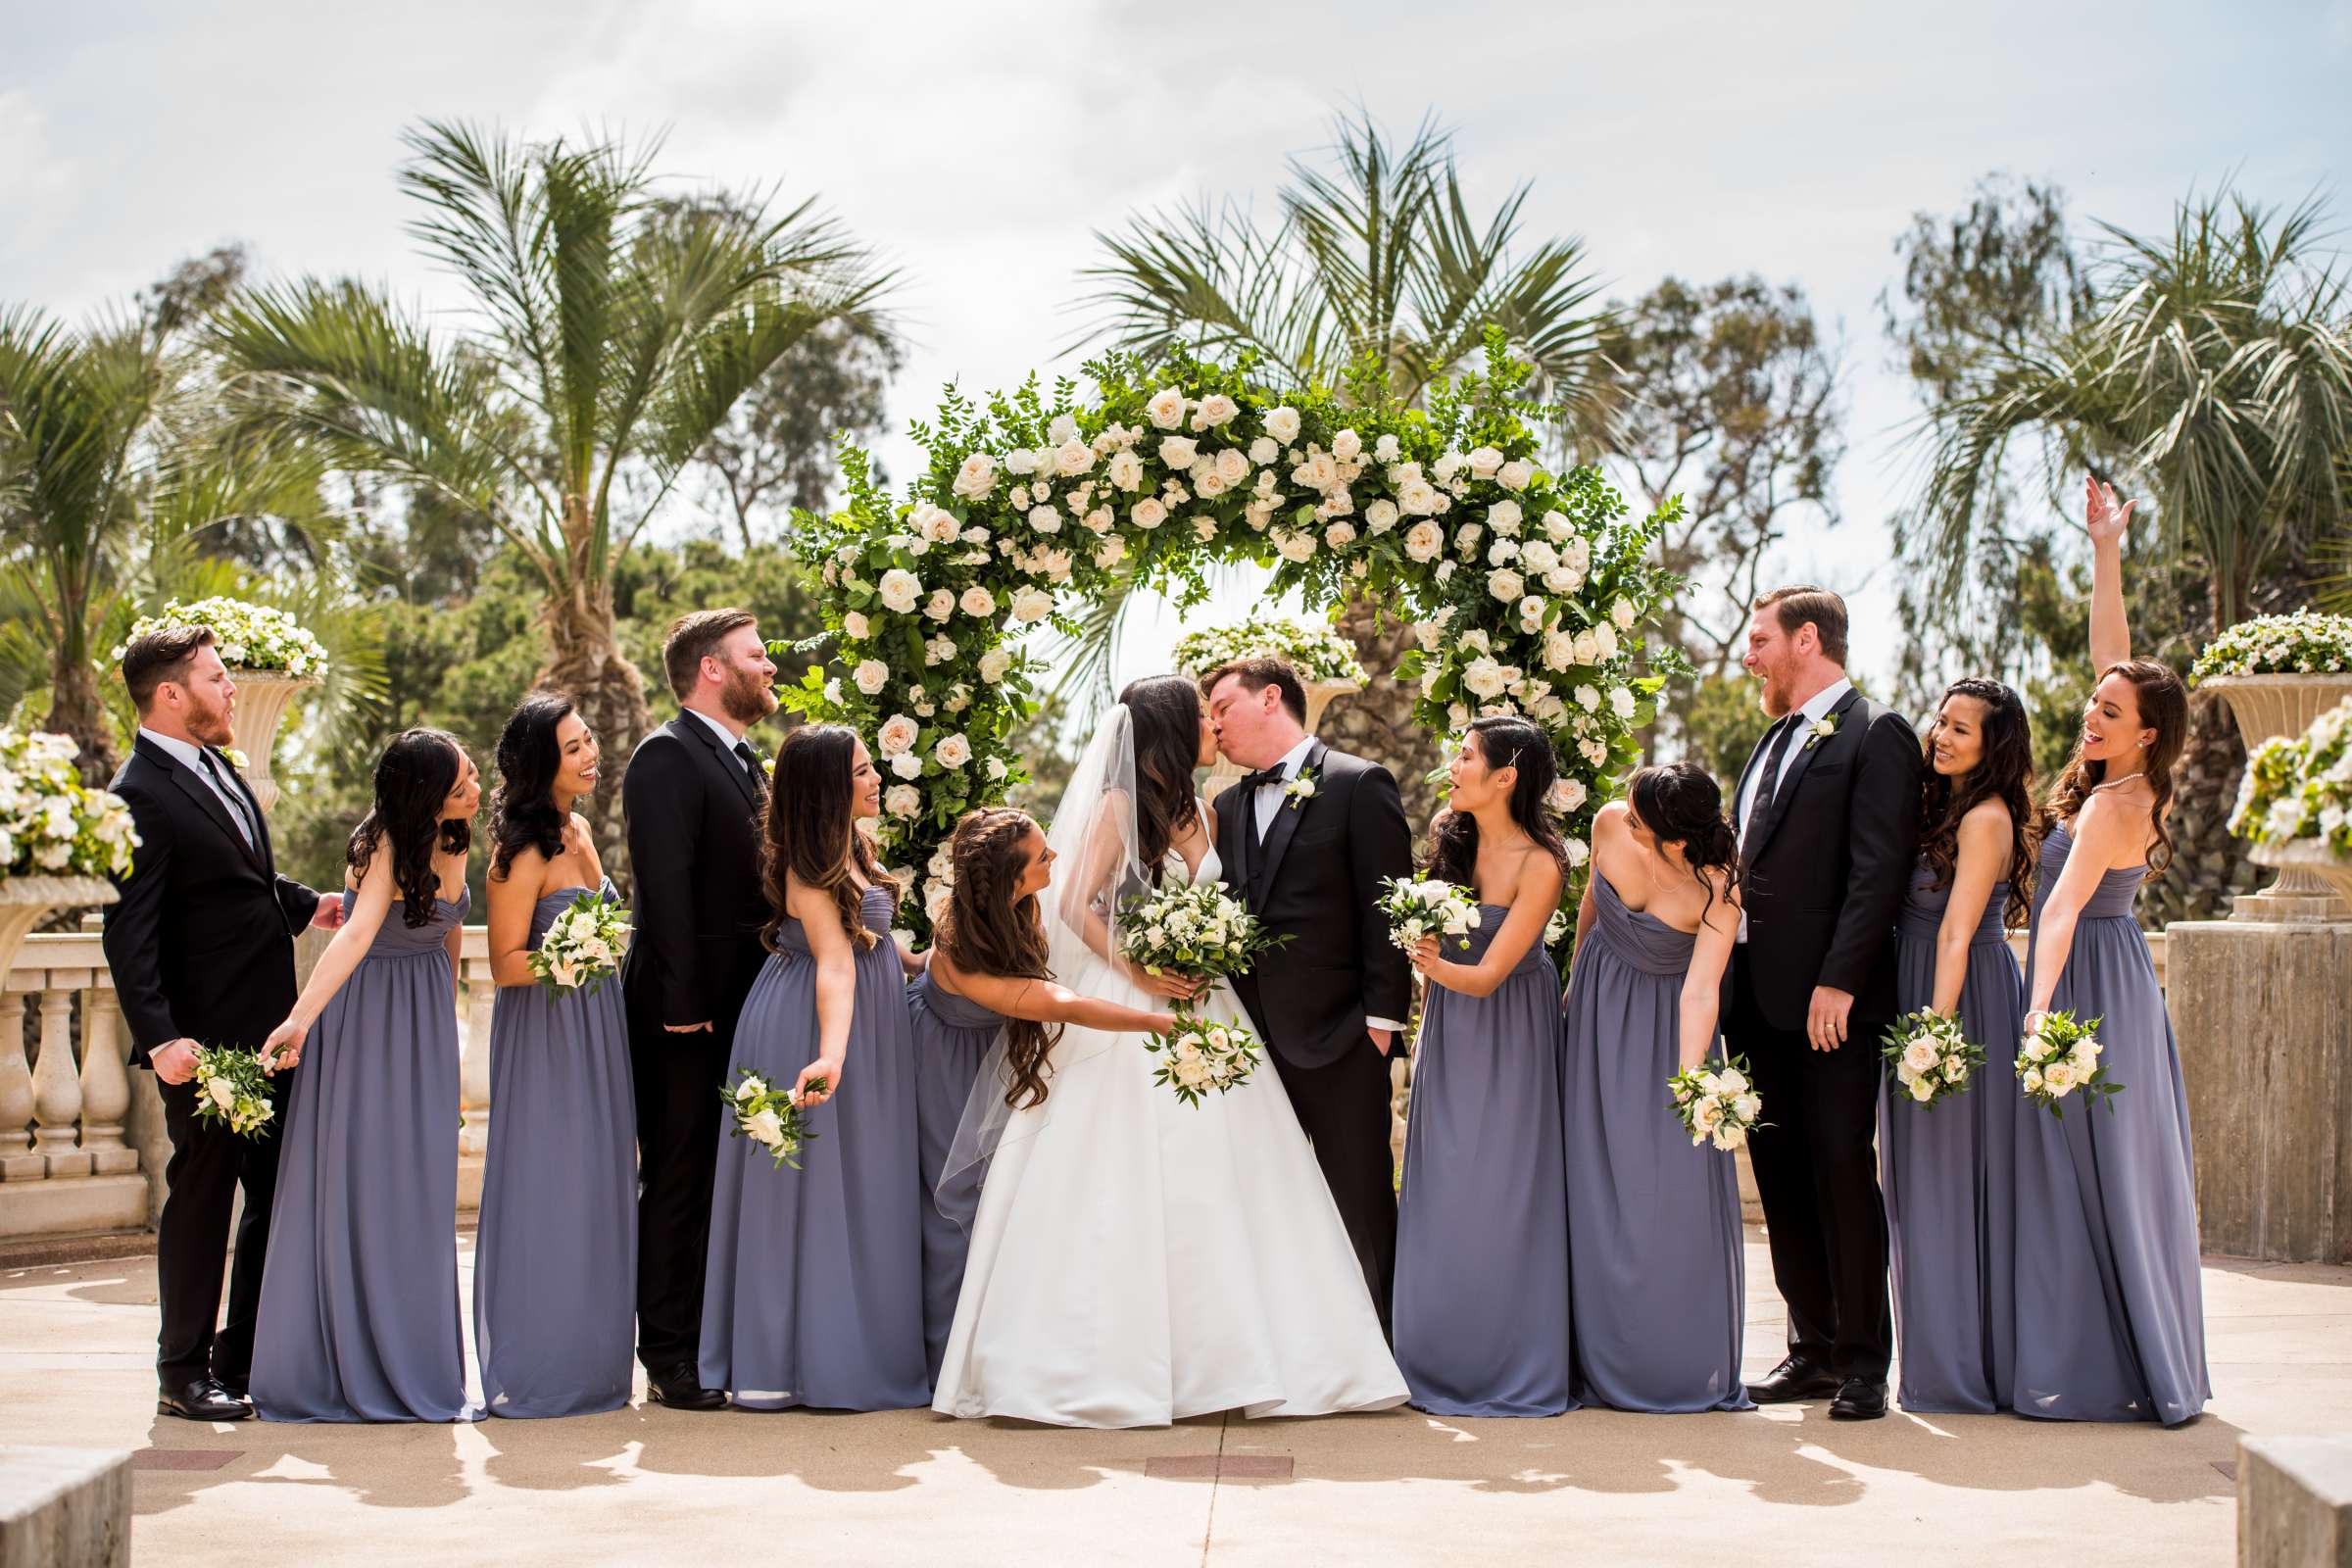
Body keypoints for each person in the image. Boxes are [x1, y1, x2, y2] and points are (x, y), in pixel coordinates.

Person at [933, 675, 1408, 1427]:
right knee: (1119, 1177)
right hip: (1133, 998)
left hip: (1208, 1002)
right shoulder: (1122, 806)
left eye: (1219, 710)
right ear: (1166, 727)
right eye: (1200, 714)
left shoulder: (1207, 809)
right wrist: (1137, 968)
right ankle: (1108, 1358)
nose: (1213, 724)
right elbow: (1074, 903)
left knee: (1238, 1177)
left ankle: (1248, 1353)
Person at [102, 625, 344, 1422]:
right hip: (203, 1046)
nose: (231, 689)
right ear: (170, 694)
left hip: (272, 1032)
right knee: (203, 1197)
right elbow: (129, 930)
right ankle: (182, 1371)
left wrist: (310, 907)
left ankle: (241, 1356)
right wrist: (163, 1037)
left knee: (276, 1195)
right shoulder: (137, 790)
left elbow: (242, 874)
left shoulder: (216, 767)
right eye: (215, 678)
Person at [2009, 476, 2210, 1426]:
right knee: (2112, 1170)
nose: (2091, 715)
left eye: (2108, 713)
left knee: (2083, 1170)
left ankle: (2096, 1361)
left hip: (2085, 981)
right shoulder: (2137, 780)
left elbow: (2058, 911)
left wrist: (2038, 1008)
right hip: (2120, 976)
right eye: (2093, 703)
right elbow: (2116, 658)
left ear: (2148, 734)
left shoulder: (2109, 804)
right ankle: (2137, 1353)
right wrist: (2105, 549)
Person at [1730, 585, 1922, 1421]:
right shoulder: (1770, 739)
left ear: (1808, 640)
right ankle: (1809, 1348)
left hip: (1832, 1003)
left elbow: (1877, 869)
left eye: (1761, 638)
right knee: (1779, 1176)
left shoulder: (1877, 734)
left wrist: (1839, 979)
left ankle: (1863, 1363)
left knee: (1843, 1171)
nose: (1750, 654)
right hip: (1756, 1000)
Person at [250, 729, 481, 1422]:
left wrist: (446, 1027)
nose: (475, 789)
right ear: (425, 795)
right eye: (462, 782)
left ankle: (413, 1353)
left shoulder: (455, 836)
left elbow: (450, 932)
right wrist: (299, 1020)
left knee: (419, 1186)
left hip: (421, 1019)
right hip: (369, 1018)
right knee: (365, 1181)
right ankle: (346, 1358)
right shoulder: (382, 843)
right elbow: (353, 935)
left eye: (472, 777)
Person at [911, 805, 1185, 1387]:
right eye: (1042, 856)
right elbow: (1055, 1003)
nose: (1055, 856)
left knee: (994, 1198)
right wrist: (1156, 1023)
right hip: (941, 1059)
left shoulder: (1020, 907)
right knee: (952, 1203)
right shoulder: (963, 945)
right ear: (1013, 877)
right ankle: (941, 1363)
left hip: (986, 1054)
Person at [699, 724, 929, 1411]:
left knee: (868, 1184)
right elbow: (834, 961)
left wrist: (927, 963)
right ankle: (806, 1358)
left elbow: (873, 942)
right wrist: (831, 1054)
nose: (877, 778)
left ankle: (865, 1347)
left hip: (872, 1023)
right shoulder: (808, 866)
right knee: (816, 1194)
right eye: (863, 770)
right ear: (831, 786)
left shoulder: (860, 846)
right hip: (812, 1025)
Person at [1203, 657, 1415, 1336]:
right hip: (1250, 1040)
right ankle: (1296, 1341)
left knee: (1359, 1196)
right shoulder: (1228, 805)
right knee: (1267, 1199)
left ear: (1272, 699)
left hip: (1343, 1037)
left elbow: (1388, 908)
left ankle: (1382, 1342)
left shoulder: (1359, 784)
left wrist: (1380, 1025)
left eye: (1221, 709)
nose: (1214, 726)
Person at [1392, 716, 1575, 1416]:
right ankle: (1435, 1352)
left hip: (1511, 1034)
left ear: (1507, 777)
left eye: (1465, 756)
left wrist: (1429, 961)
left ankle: (1510, 1357)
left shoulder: (1542, 865)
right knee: (1443, 1181)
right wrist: (1422, 955)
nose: (1453, 765)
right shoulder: (1451, 840)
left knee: (1504, 1186)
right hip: (1451, 1028)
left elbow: (1493, 973)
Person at [620, 610, 778, 1411]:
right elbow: (664, 887)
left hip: (743, 1003)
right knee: (679, 1176)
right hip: (686, 1013)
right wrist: (684, 1005)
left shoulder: (748, 763)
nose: (771, 666)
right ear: (713, 669)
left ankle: (713, 1335)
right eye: (757, 655)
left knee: (721, 1174)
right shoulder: (665, 757)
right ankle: (670, 1353)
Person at [1561, 763, 1753, 1413]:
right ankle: (1588, 1345)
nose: (1626, 818)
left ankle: (1663, 1352)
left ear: (1677, 842)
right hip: (1595, 1008)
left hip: (1664, 1033)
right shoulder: (1610, 821)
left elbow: (1702, 990)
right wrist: (1570, 985)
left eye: (1642, 820)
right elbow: (1592, 902)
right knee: (1591, 1178)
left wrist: (1690, 1078)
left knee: (1660, 1187)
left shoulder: (1718, 888)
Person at [474, 694, 637, 1418]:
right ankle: (540, 1362)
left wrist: (602, 949)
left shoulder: (577, 832)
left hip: (598, 1026)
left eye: (589, 740)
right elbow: (506, 963)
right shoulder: (519, 851)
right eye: (574, 747)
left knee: (600, 1182)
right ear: (543, 762)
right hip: (545, 1033)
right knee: (552, 1184)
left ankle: (593, 1360)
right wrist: (576, 953)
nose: (591, 753)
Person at [1880, 677, 2034, 1414]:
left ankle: (1957, 1368)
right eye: (1941, 722)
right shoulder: (1942, 805)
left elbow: (1955, 933)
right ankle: (1936, 1357)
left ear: (1993, 747)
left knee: (1948, 1179)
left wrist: (1934, 1036)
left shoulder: (1987, 819)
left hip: (1957, 998)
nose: (1940, 736)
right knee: (1917, 1179)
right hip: (1920, 982)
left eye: (1960, 730)